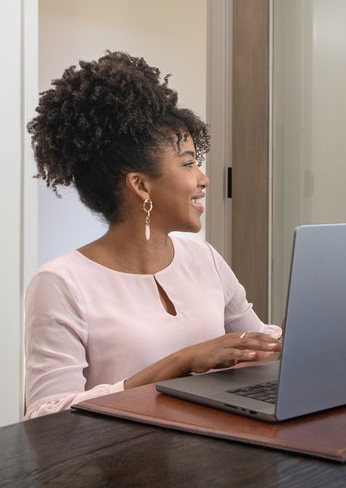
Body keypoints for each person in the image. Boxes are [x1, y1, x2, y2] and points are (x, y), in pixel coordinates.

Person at [24, 51, 282, 419]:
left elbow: (258, 344)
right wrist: (180, 363)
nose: (203, 179)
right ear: (140, 185)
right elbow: (45, 416)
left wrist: (297, 334)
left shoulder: (204, 259)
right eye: (189, 162)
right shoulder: (61, 283)